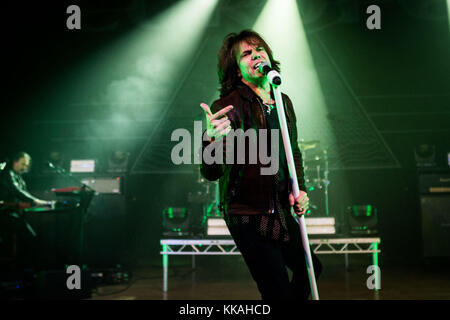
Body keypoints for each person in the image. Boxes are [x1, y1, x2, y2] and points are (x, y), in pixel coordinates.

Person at [200, 30, 322, 300]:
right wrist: (209, 139)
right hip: (248, 213)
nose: (255, 55)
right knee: (276, 289)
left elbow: (293, 153)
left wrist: (299, 190)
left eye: (259, 50)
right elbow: (211, 173)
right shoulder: (227, 106)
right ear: (237, 67)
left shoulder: (282, 101)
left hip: (279, 206)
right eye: (246, 53)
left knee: (312, 270)